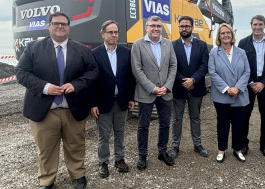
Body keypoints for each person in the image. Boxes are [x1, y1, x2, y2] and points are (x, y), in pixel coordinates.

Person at [15, 12, 99, 189]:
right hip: (44, 109)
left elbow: (93, 72)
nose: (60, 26)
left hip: (73, 108)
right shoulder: (32, 48)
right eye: (56, 23)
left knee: (76, 145)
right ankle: (46, 180)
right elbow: (21, 73)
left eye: (64, 24)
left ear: (69, 27)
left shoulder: (83, 50)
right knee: (46, 149)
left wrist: (76, 85)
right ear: (49, 26)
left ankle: (78, 175)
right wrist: (45, 87)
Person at [131, 15, 177, 170]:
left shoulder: (168, 44)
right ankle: (142, 155)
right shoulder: (138, 45)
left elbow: (173, 66)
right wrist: (152, 88)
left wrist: (167, 86)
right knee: (143, 126)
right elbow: (137, 70)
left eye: (158, 26)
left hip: (166, 92)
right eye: (153, 26)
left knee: (164, 124)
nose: (156, 28)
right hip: (147, 93)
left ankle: (162, 152)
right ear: (146, 27)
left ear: (161, 28)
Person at [90, 20, 135, 178]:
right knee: (103, 134)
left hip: (121, 100)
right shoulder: (95, 54)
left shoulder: (125, 52)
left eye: (116, 32)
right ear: (102, 34)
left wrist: (131, 97)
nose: (114, 35)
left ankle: (119, 159)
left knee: (120, 132)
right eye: (110, 32)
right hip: (103, 103)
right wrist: (93, 103)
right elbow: (92, 82)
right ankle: (103, 162)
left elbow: (130, 77)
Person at [208, 23, 250, 163]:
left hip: (239, 94)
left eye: (228, 33)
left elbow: (246, 72)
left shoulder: (241, 52)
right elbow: (212, 73)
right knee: (223, 123)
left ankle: (237, 149)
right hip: (221, 95)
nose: (226, 35)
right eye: (222, 33)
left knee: (238, 123)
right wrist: (227, 89)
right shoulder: (214, 52)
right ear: (219, 36)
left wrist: (237, 88)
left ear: (232, 35)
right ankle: (221, 149)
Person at [238, 15, 265, 158]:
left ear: (264, 25)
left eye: (260, 24)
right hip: (248, 84)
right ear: (251, 26)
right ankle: (244, 144)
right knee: (245, 115)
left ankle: (264, 144)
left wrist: (263, 83)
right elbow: (240, 65)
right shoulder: (243, 43)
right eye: (255, 24)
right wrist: (251, 82)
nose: (257, 27)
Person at [168, 16, 209, 159]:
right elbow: (171, 66)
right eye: (181, 26)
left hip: (196, 87)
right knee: (177, 119)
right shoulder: (171, 46)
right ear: (178, 28)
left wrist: (193, 79)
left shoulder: (202, 45)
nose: (184, 29)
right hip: (178, 87)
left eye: (186, 26)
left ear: (192, 27)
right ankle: (175, 146)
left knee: (195, 117)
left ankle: (197, 144)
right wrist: (182, 80)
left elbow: (205, 66)